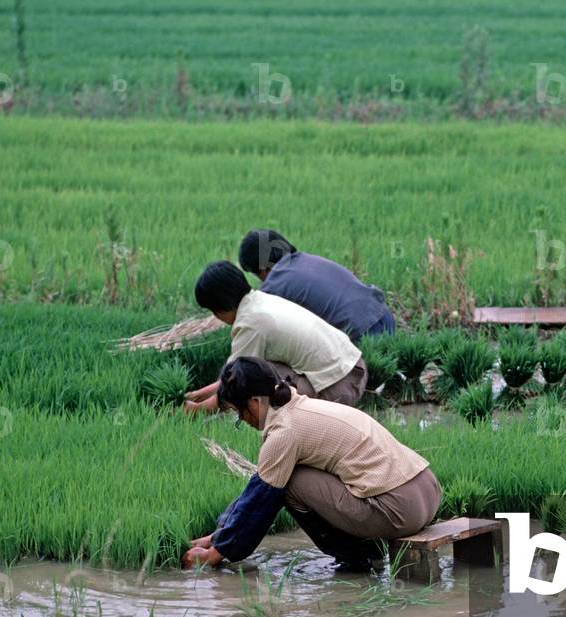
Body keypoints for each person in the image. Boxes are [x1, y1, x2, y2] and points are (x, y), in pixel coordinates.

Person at [182, 357, 442, 572]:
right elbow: (256, 489)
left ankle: (358, 558)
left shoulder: (285, 431)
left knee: (288, 484)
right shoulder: (305, 407)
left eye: (240, 414)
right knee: (280, 479)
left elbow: (260, 499)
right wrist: (220, 536)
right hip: (427, 492)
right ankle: (367, 552)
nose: (243, 420)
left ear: (254, 402)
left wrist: (216, 553)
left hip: (398, 510)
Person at [184, 261, 367, 414]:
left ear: (220, 308)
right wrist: (199, 395)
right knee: (259, 369)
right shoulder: (260, 300)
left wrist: (197, 409)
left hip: (338, 387)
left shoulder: (251, 324)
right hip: (354, 368)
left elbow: (234, 384)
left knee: (254, 381)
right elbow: (229, 376)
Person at [238, 229, 395, 343]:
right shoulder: (304, 259)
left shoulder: (274, 285)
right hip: (383, 316)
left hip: (362, 333)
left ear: (262, 268)